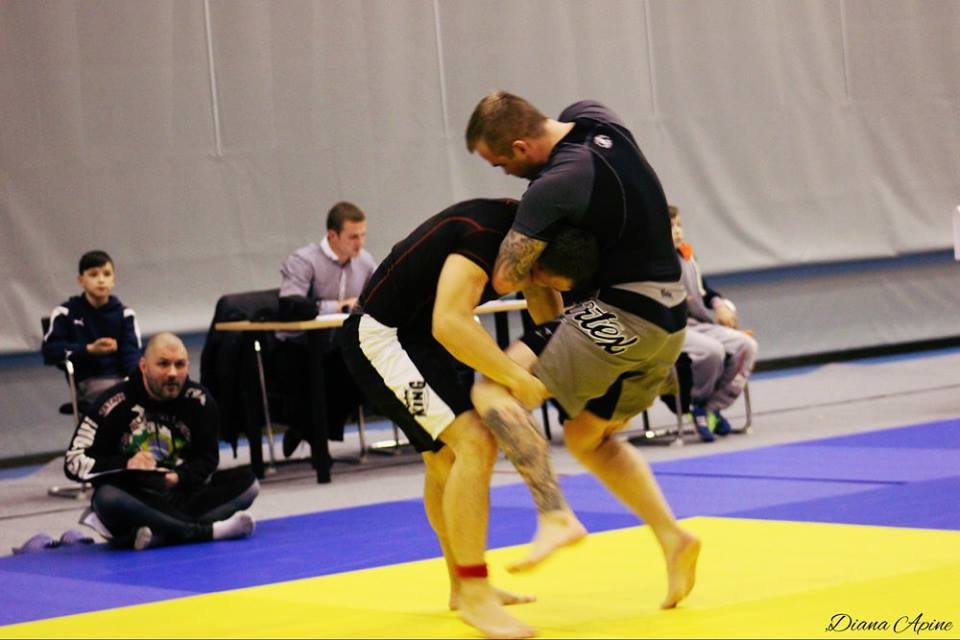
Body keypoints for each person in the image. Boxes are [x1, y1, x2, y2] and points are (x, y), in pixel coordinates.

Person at [466, 91, 701, 609]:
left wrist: (528, 226)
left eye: (501, 163)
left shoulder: (553, 185)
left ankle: (554, 513)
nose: (505, 173)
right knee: (584, 436)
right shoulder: (595, 119)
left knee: (491, 389)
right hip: (670, 319)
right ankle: (672, 537)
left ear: (521, 147)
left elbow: (506, 277)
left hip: (622, 315)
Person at [340, 198, 597, 639]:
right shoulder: (485, 237)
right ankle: (475, 591)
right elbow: (450, 325)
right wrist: (516, 377)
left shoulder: (535, 241)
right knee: (475, 442)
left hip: (422, 339)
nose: (534, 285)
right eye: (537, 277)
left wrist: (557, 374)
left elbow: (545, 305)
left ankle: (461, 587)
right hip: (383, 338)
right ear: (533, 260)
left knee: (443, 459)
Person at [64, 332, 259, 550]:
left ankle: (158, 533)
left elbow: (207, 460)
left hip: (179, 496)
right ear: (143, 366)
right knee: (107, 497)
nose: (172, 373)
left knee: (249, 484)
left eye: (179, 364)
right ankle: (206, 532)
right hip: (134, 497)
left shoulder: (200, 401)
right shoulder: (111, 404)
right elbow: (73, 461)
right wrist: (126, 465)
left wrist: (178, 478)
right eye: (163, 364)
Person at [276, 201, 377, 457]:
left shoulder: (365, 262)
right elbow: (291, 304)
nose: (360, 243)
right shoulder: (304, 260)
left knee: (362, 369)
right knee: (326, 372)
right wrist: (339, 306)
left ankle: (308, 430)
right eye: (353, 237)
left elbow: (377, 297)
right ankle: (312, 432)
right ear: (332, 236)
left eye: (363, 235)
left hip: (337, 344)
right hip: (297, 347)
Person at [669, 205, 758, 442]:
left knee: (746, 345)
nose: (677, 231)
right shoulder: (650, 263)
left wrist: (720, 305)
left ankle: (710, 409)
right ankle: (695, 404)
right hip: (669, 330)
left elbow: (704, 291)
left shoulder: (688, 257)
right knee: (713, 351)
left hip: (698, 325)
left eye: (679, 225)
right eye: (670, 226)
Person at [42, 250, 143, 406]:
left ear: (113, 280)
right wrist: (88, 349)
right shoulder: (66, 312)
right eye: (94, 275)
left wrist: (139, 381)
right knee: (115, 398)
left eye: (107, 274)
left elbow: (132, 353)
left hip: (123, 379)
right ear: (81, 280)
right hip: (89, 381)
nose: (101, 280)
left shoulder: (125, 314)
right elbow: (50, 350)